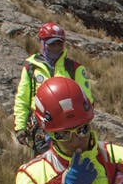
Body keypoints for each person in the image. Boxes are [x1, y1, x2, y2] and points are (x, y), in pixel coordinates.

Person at [12, 22, 93, 155]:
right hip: (41, 130)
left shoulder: (75, 69)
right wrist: (20, 127)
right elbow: (22, 100)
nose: (56, 47)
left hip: (71, 130)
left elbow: (87, 100)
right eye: (51, 44)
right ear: (43, 43)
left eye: (59, 44)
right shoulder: (31, 68)